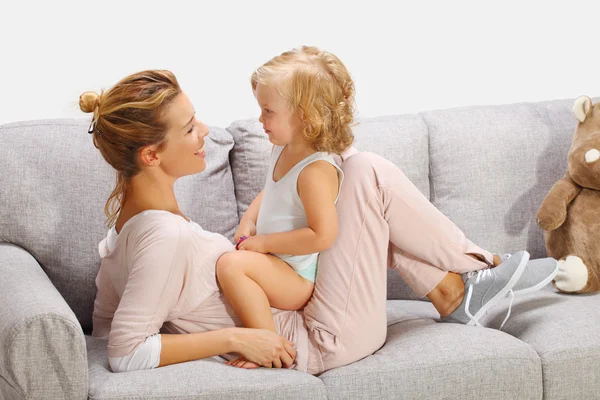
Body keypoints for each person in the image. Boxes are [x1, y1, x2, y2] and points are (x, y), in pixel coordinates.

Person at [89, 47, 558, 374]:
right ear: (151, 155)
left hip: (307, 308)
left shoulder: (127, 230)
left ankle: (458, 291)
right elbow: (124, 350)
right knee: (365, 172)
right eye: (190, 128)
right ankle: (475, 269)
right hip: (315, 340)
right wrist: (236, 338)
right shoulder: (160, 236)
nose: (205, 131)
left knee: (353, 180)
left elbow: (108, 320)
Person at [215, 46, 350, 369]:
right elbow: (271, 191)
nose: (260, 119)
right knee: (224, 259)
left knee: (231, 266)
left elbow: (321, 235)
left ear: (305, 115)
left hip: (295, 276)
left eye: (268, 111)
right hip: (276, 262)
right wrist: (249, 220)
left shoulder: (316, 170)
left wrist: (264, 243)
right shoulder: (284, 148)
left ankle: (268, 346)